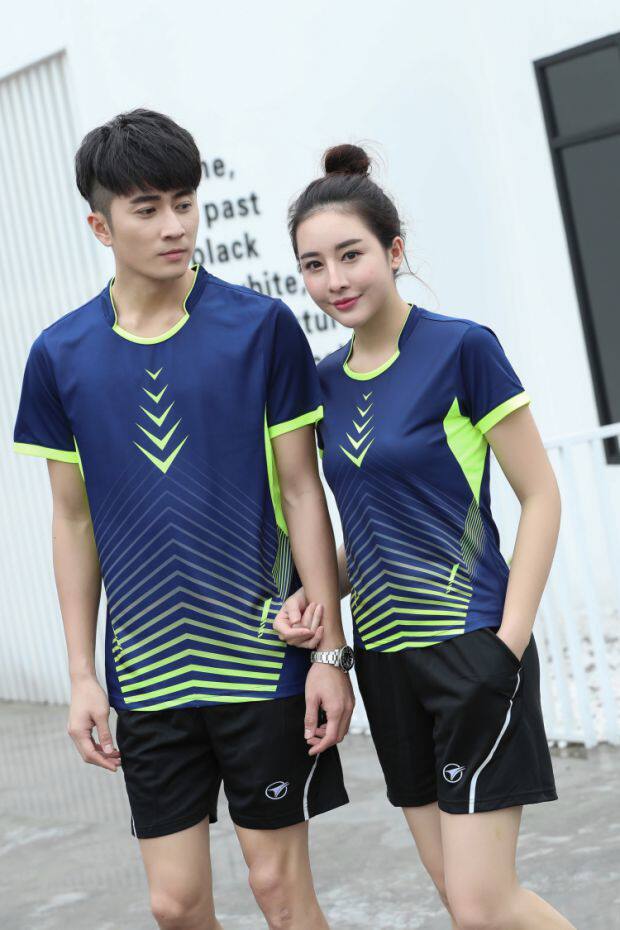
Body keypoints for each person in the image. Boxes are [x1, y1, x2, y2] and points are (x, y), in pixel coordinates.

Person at [13, 109, 355, 930]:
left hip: (262, 660)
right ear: (101, 226)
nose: (175, 227)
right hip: (149, 676)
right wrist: (82, 675)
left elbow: (303, 490)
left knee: (280, 892)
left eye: (185, 203)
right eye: (148, 209)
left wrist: (330, 653)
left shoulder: (260, 328)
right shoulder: (59, 355)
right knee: (174, 905)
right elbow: (72, 521)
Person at [275, 143, 576, 929]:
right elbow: (375, 528)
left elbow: (541, 496)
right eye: (313, 265)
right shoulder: (322, 383)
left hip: (471, 647)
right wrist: (315, 593)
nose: (334, 280)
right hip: (385, 664)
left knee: (483, 904)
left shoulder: (461, 349)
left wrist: (507, 644)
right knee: (461, 903)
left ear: (394, 250)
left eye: (351, 255)